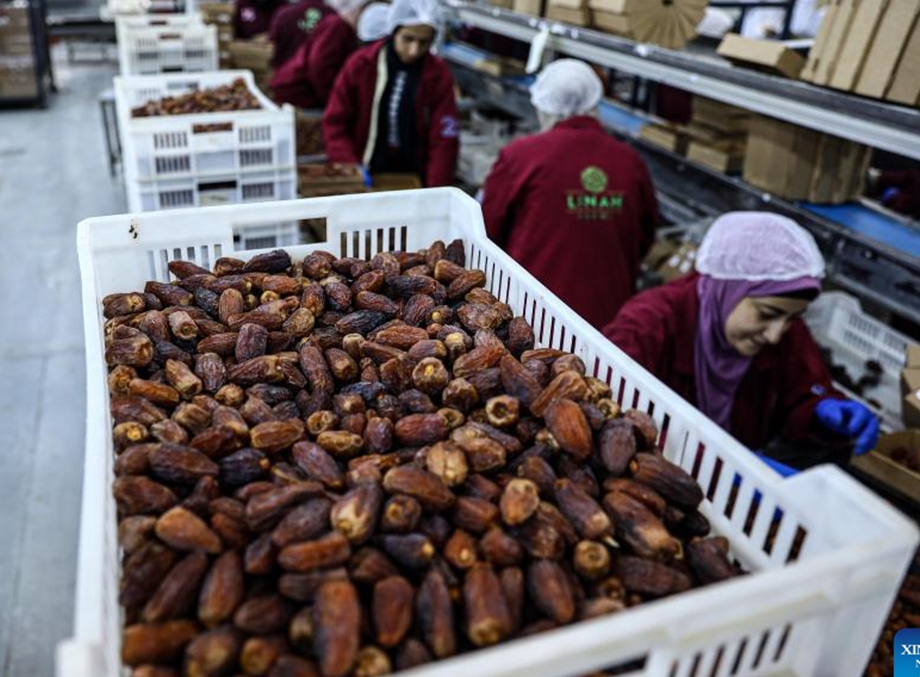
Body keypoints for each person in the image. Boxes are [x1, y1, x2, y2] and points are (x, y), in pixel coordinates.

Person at [603, 212, 880, 457]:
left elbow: (800, 395)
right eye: (766, 313)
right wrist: (720, 463)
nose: (775, 335)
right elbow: (611, 413)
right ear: (729, 290)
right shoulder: (649, 325)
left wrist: (820, 409)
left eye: (793, 317)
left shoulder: (788, 334)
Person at [480, 60, 657, 329]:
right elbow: (644, 237)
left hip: (532, 317)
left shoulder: (521, 156)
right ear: (595, 103)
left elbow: (487, 230)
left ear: (543, 105)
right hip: (608, 322)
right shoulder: (630, 162)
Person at [322, 0, 459, 187]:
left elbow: (444, 138)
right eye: (408, 39)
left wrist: (435, 191)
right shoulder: (362, 66)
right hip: (367, 170)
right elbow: (335, 122)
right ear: (394, 31)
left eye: (424, 42)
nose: (414, 51)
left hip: (413, 175)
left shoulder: (437, 75)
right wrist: (350, 167)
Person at [270, 0, 368, 109]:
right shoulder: (338, 26)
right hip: (298, 93)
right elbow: (319, 66)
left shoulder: (333, 21)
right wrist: (332, 100)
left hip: (290, 85)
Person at [268, 0, 334, 67]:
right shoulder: (333, 17)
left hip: (285, 72)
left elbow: (271, 48)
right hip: (320, 73)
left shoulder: (284, 13)